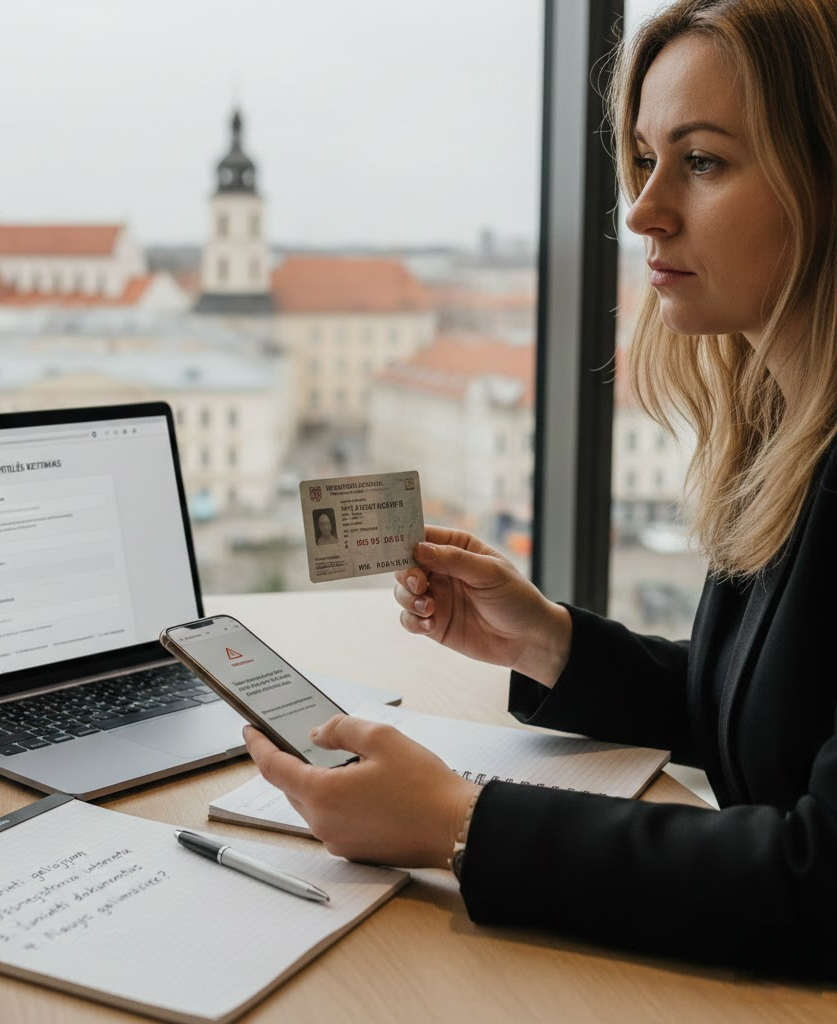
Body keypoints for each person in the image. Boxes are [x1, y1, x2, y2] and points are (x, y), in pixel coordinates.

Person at [245, 0, 837, 978]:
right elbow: (775, 719)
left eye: (701, 161)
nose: (643, 209)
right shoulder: (785, 430)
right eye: (643, 160)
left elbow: (817, 883)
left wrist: (455, 821)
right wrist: (546, 641)